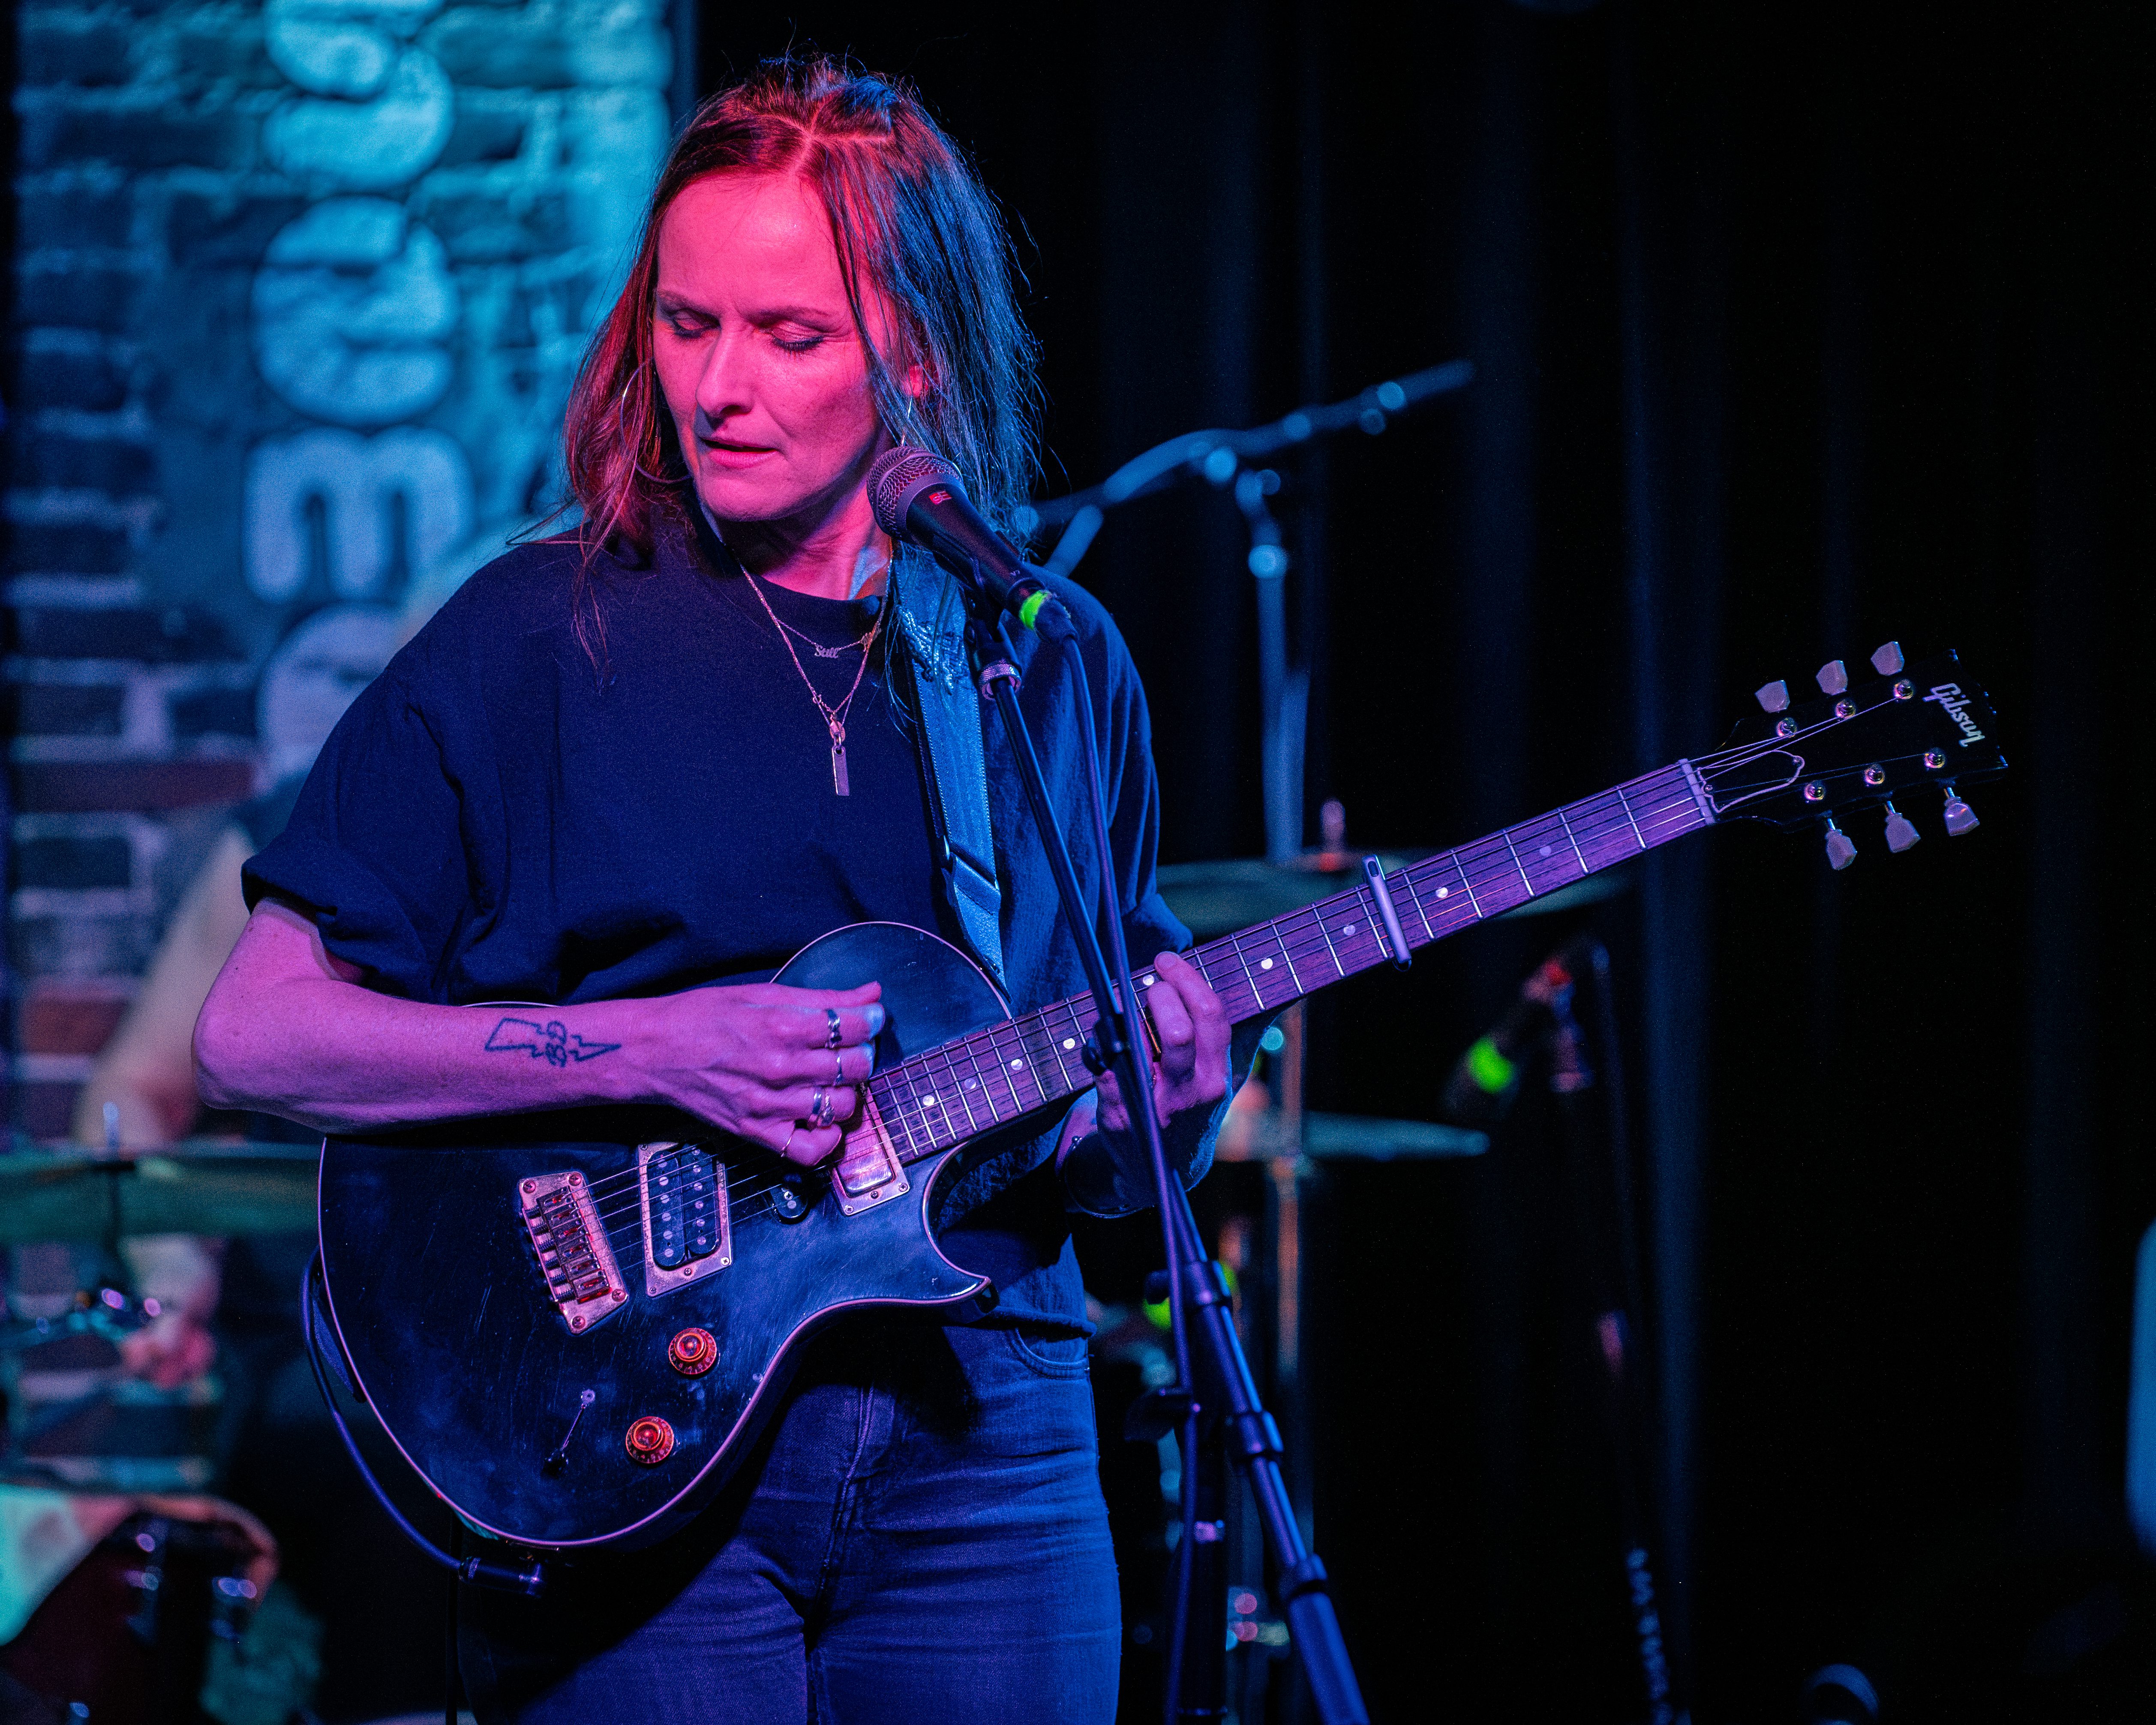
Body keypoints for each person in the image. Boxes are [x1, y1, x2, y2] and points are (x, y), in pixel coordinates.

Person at [193, 57, 1249, 1725]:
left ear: (915, 350)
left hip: (994, 1431)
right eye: (688, 325)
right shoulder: (546, 633)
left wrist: (1162, 1110)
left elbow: (1111, 1159)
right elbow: (253, 1035)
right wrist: (647, 1050)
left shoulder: (1044, 663)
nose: (718, 387)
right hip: (632, 1444)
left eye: (790, 335)